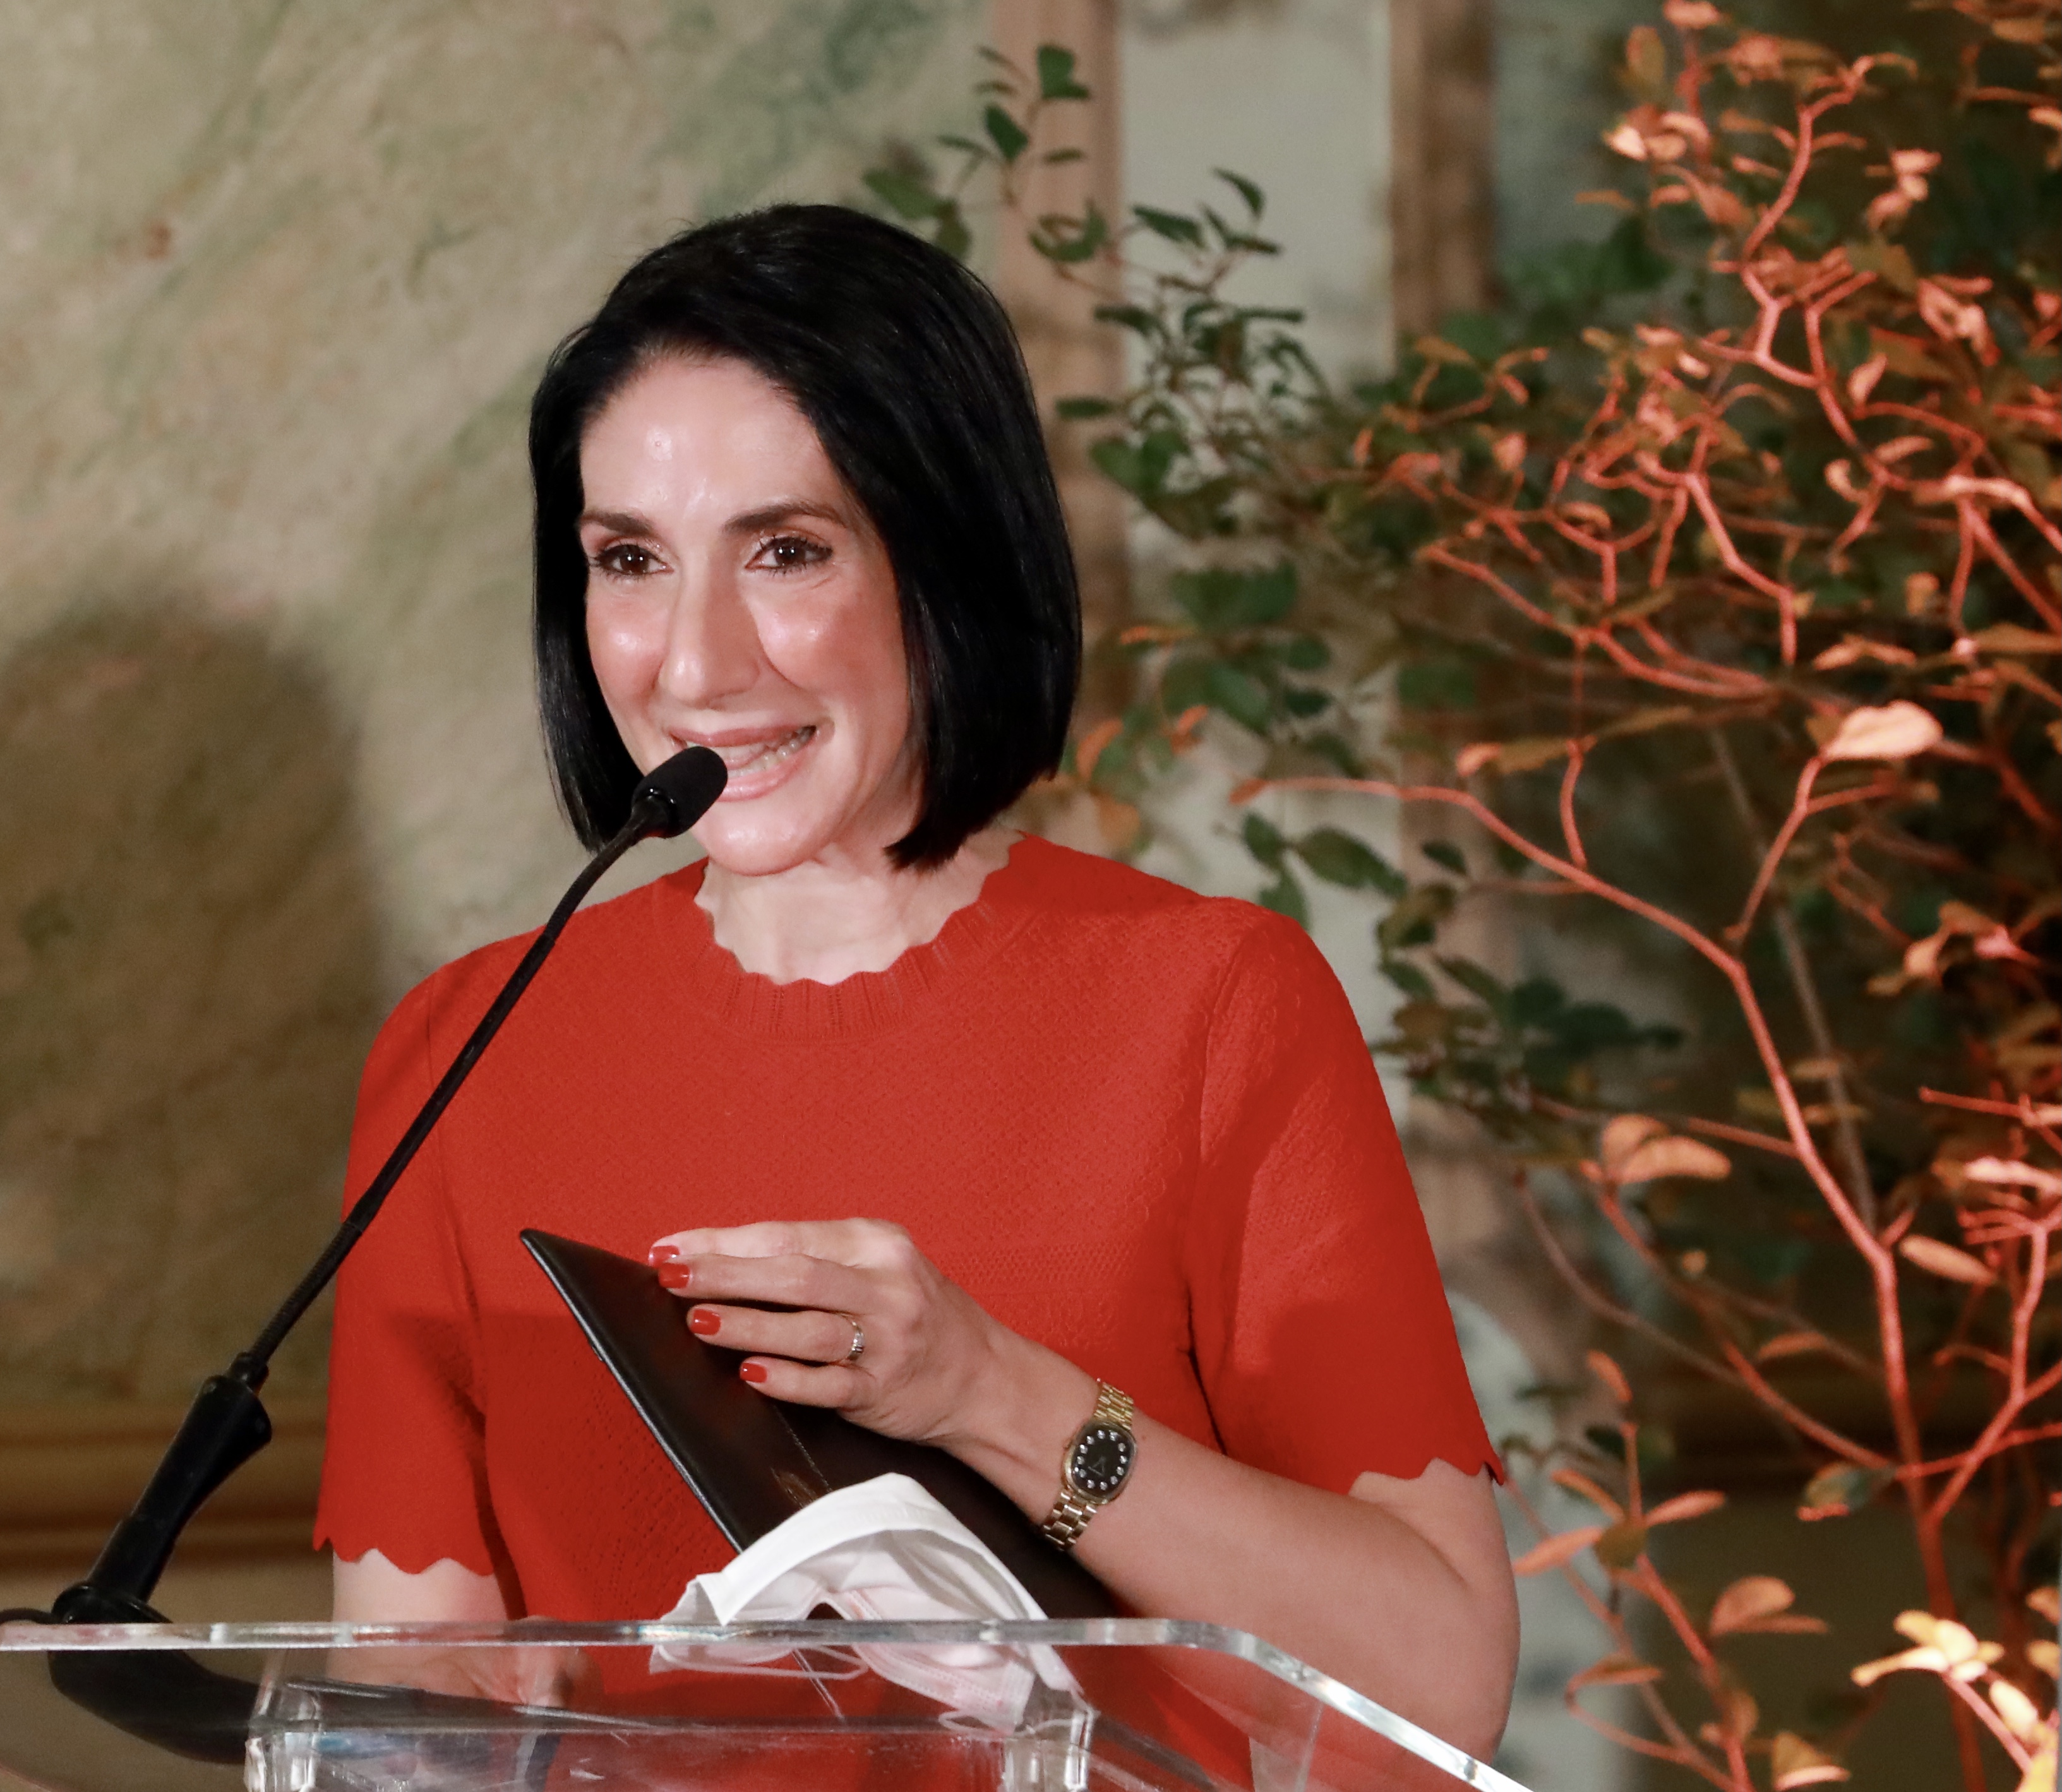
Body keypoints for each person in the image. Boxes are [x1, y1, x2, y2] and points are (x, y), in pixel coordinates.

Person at [315, 203, 1518, 1756]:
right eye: (629, 561)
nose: (693, 663)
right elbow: (403, 1722)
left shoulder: (1211, 1005)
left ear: (942, 565)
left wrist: (986, 1393)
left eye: (785, 551)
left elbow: (1435, 1686)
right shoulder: (461, 1052)